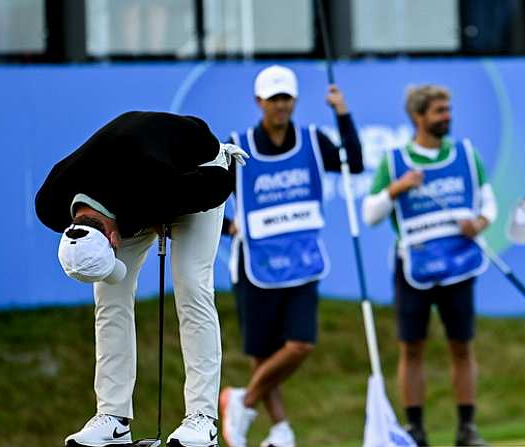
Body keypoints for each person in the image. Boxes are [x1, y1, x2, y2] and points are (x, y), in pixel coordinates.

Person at [35, 111, 248, 447]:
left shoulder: (156, 184)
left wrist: (166, 211)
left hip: (198, 170)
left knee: (192, 285)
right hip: (139, 186)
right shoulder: (50, 203)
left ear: (112, 237)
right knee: (109, 295)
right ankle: (114, 418)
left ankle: (202, 418)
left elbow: (219, 186)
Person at [218, 65, 364, 447]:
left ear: (294, 100)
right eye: (273, 99)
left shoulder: (314, 141)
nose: (280, 106)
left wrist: (343, 113)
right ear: (259, 102)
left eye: (286, 98)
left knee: (301, 343)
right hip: (256, 264)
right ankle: (281, 430)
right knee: (263, 352)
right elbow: (205, 197)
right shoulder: (237, 146)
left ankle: (243, 402)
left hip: (302, 261)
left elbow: (354, 162)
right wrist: (226, 226)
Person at [362, 85, 496, 447]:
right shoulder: (395, 161)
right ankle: (416, 429)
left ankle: (467, 427)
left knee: (462, 345)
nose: (446, 116)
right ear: (418, 117)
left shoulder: (466, 155)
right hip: (414, 268)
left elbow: (488, 203)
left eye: (447, 109)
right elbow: (370, 213)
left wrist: (479, 224)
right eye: (439, 111)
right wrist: (398, 188)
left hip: (458, 264)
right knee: (412, 348)